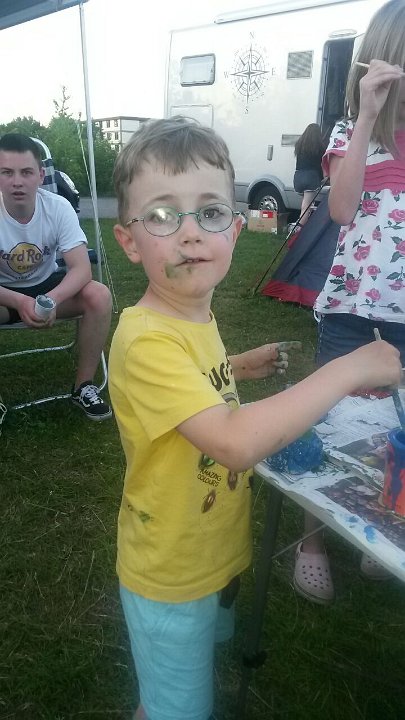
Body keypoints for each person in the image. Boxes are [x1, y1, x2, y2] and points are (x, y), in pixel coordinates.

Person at [109, 115, 401, 720]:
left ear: (236, 230)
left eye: (210, 212)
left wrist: (236, 368)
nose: (191, 233)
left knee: (186, 676)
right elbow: (234, 442)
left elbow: (195, 380)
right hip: (170, 573)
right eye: (162, 215)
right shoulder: (144, 340)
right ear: (130, 242)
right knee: (174, 710)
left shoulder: (190, 312)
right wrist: (349, 369)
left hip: (211, 550)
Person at [294, 0, 405, 605]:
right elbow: (340, 209)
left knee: (395, 426)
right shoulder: (348, 133)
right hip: (353, 309)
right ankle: (310, 539)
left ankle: (377, 520)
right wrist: (367, 114)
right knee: (331, 419)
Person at [0, 133, 112, 420]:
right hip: (5, 294)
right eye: (7, 172)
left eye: (26, 172)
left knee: (98, 295)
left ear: (40, 176)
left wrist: (50, 300)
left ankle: (83, 386)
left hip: (47, 286)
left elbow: (81, 268)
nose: (17, 182)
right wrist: (19, 301)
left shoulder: (58, 206)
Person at [293, 122, 325, 228]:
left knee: (305, 203)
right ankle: (299, 228)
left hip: (298, 176)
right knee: (307, 206)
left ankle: (303, 224)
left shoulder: (299, 145)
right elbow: (321, 164)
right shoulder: (319, 147)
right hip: (311, 177)